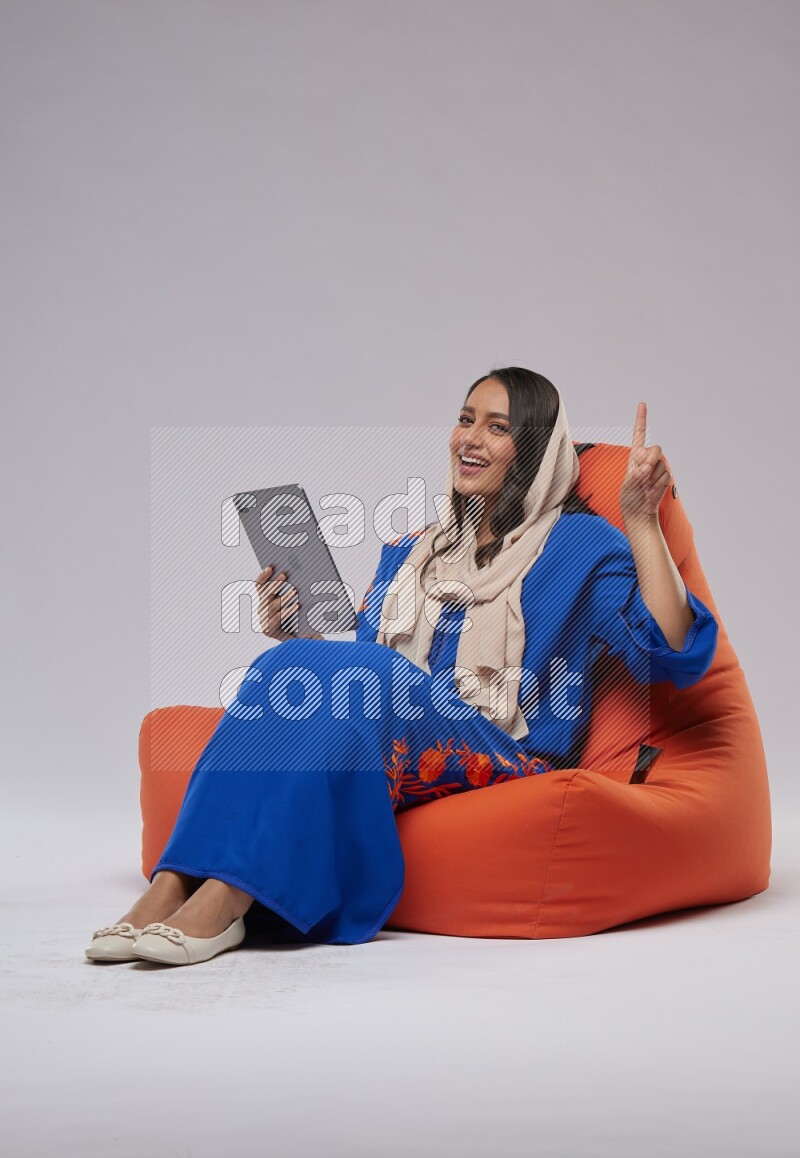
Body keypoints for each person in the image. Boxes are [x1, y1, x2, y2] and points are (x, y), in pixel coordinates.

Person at [85, 367, 719, 966]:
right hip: (400, 723)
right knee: (278, 672)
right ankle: (169, 887)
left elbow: (674, 652)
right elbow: (367, 667)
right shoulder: (413, 552)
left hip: (505, 750)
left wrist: (639, 519)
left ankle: (227, 902)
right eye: (466, 419)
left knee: (350, 677)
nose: (470, 439)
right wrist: (296, 634)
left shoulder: (583, 545)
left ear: (535, 452)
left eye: (497, 428)